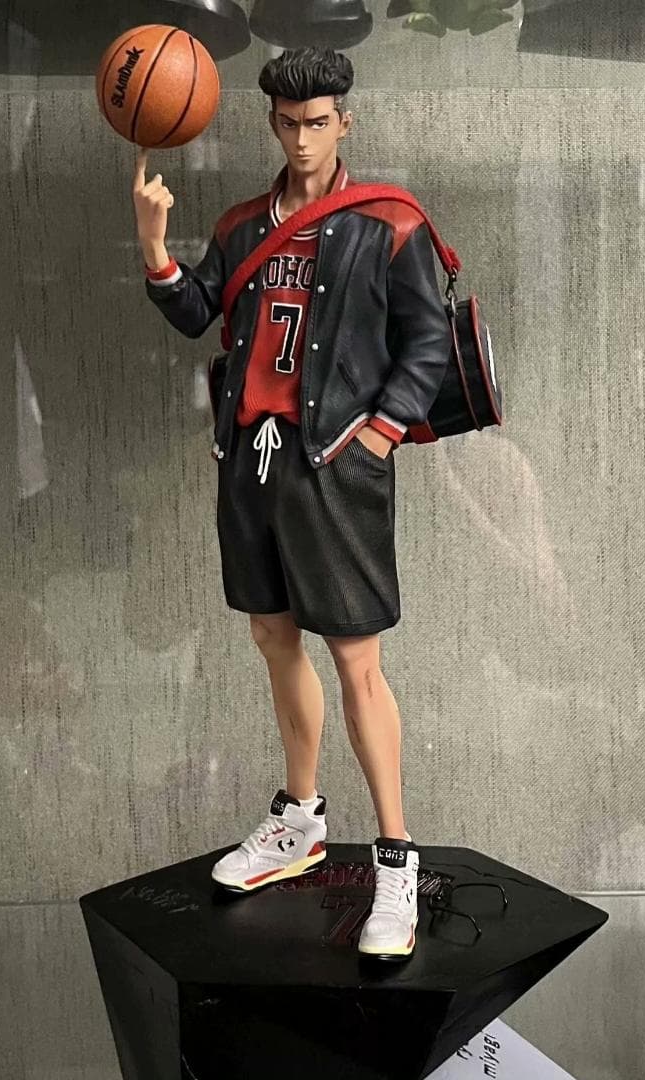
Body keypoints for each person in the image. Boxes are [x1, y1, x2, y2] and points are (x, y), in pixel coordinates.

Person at [133, 46, 452, 959]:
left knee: (357, 659)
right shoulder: (242, 225)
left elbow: (427, 340)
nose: (303, 139)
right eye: (287, 123)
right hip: (250, 459)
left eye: (318, 122)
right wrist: (154, 248)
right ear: (271, 122)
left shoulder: (389, 222)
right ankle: (301, 817)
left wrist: (380, 431)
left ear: (345, 120)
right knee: (273, 637)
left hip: (334, 464)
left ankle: (395, 857)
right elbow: (197, 311)